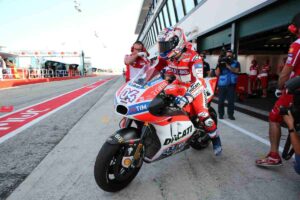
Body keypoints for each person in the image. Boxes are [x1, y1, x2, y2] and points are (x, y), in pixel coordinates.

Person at [155, 27, 222, 156]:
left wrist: (188, 97)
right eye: (161, 45)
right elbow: (161, 69)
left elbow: (199, 81)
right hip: (177, 84)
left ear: (177, 43)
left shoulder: (194, 56)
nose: (163, 48)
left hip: (193, 87)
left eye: (165, 45)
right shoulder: (169, 56)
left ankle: (215, 139)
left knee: (202, 114)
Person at [256, 12, 300, 167]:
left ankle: (274, 155)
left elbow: (286, 72)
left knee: (274, 117)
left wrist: (280, 86)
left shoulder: (297, 45)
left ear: (295, 28)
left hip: (295, 92)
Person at [215, 49, 241, 120]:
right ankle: (221, 114)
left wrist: (228, 66)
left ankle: (231, 115)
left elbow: (237, 71)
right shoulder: (221, 61)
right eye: (228, 53)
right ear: (226, 54)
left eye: (230, 53)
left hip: (231, 84)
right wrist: (219, 65)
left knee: (231, 101)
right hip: (222, 84)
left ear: (232, 54)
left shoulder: (236, 62)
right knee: (221, 101)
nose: (229, 54)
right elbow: (217, 74)